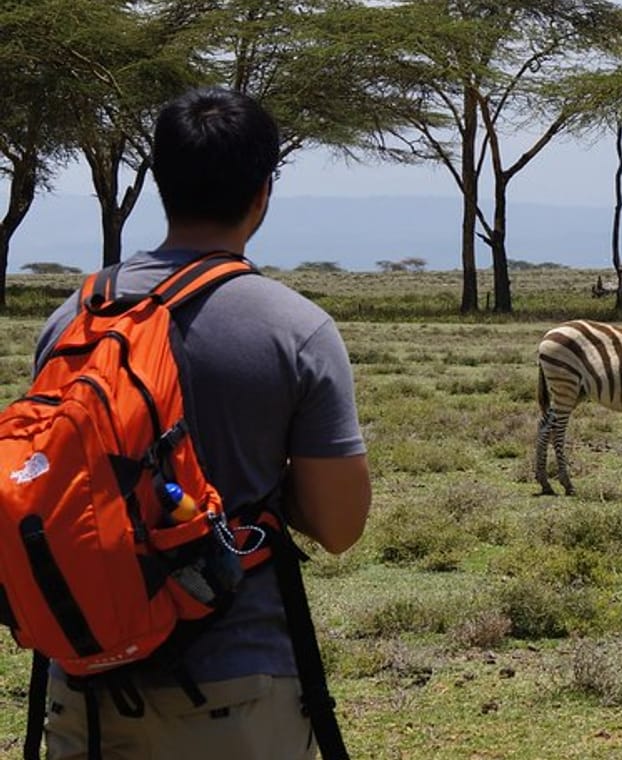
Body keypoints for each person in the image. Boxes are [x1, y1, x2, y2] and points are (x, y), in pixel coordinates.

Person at [31, 87, 371, 759]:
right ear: (263, 192)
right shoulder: (295, 328)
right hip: (235, 689)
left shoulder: (74, 318)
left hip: (83, 685)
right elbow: (339, 527)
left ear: (160, 182)